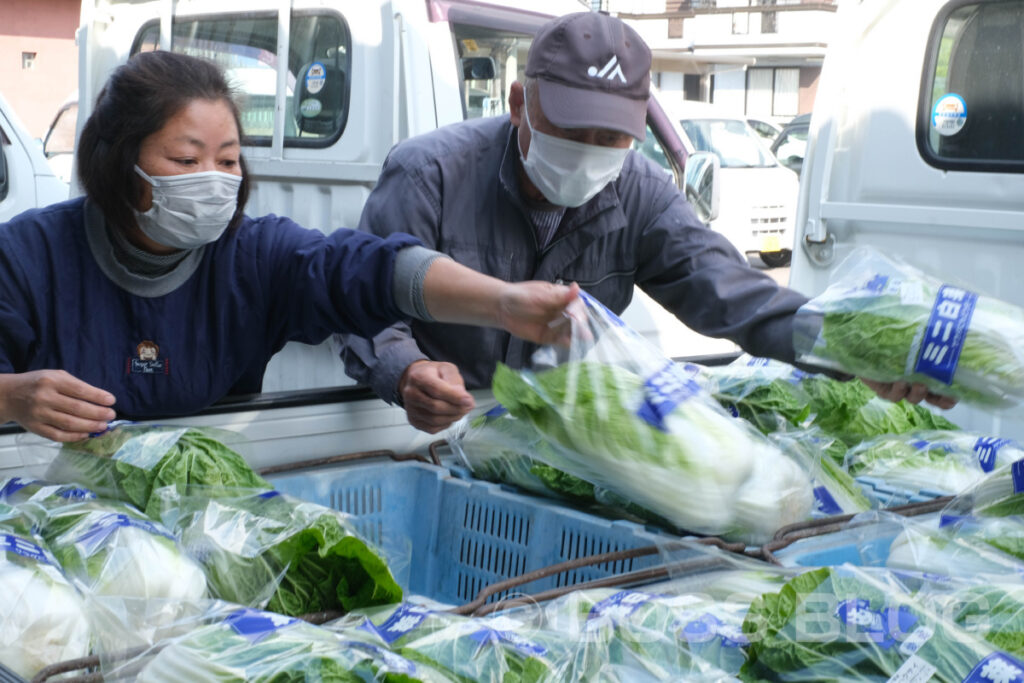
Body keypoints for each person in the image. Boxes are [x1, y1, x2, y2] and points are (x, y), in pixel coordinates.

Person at [339, 11, 954, 433]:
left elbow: (734, 296)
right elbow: (361, 300)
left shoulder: (639, 192)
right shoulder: (431, 174)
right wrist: (408, 370)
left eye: (610, 138)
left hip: (562, 443)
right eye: (571, 131)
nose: (589, 151)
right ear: (519, 103)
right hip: (432, 438)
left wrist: (854, 349)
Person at [0, 51, 580, 442]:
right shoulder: (28, 257)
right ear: (115, 159)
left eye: (228, 160)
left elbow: (365, 271)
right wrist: (14, 398)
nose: (214, 177)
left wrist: (500, 302)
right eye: (185, 160)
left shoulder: (253, 256)